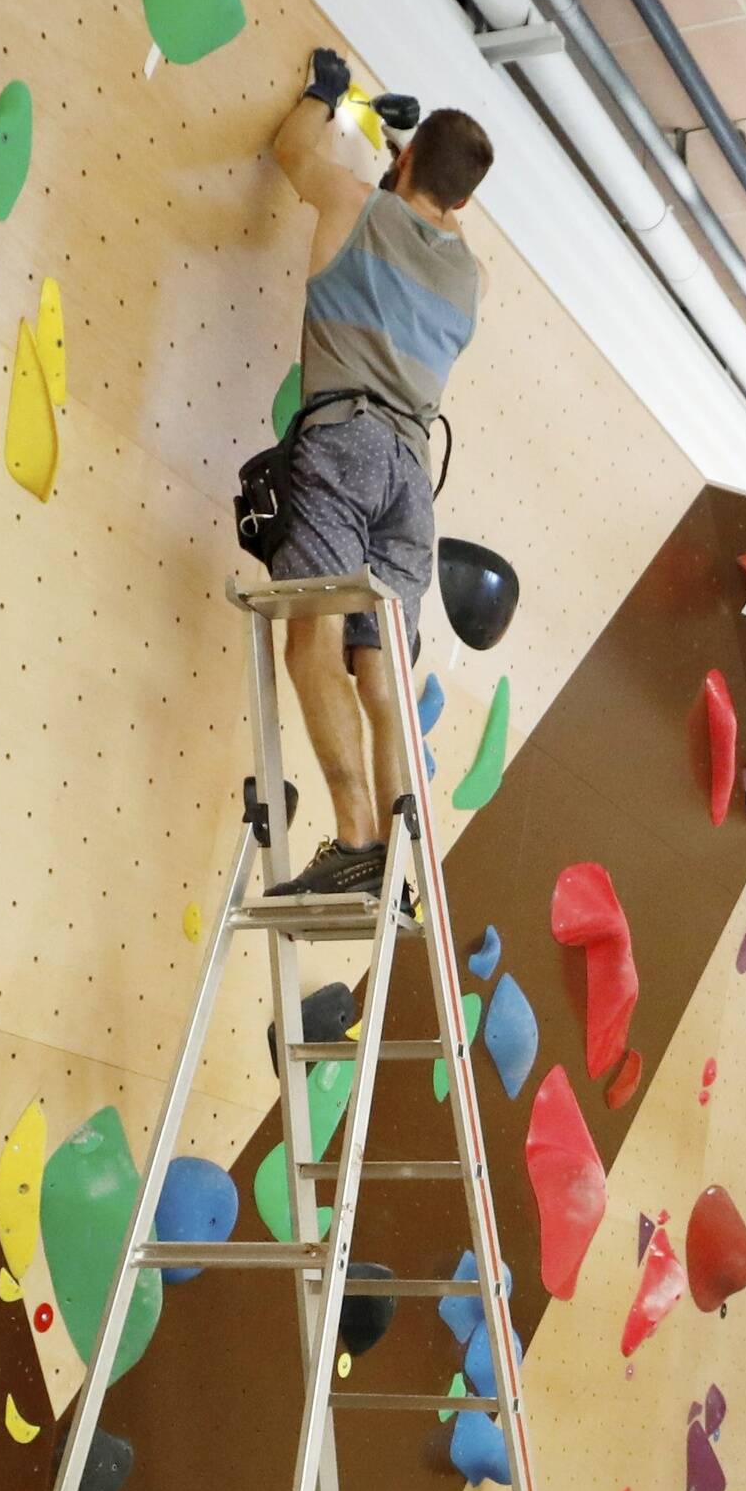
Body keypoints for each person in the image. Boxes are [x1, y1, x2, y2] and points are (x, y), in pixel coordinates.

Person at [260, 50, 488, 898]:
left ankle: (356, 840)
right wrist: (411, 151)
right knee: (380, 666)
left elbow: (291, 153)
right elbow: (445, 214)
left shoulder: (354, 207)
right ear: (463, 197)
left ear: (403, 162)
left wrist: (323, 93)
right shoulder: (469, 276)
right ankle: (400, 852)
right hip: (410, 481)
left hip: (344, 443)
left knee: (310, 640)